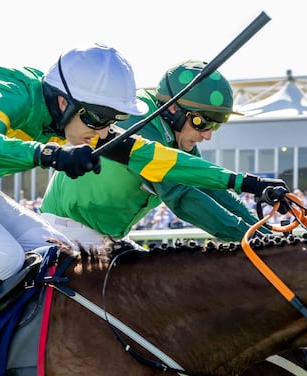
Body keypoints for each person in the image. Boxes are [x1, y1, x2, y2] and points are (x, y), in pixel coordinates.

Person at [0, 45, 286, 376]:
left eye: (110, 120)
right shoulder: (7, 88)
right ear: (65, 101)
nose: (103, 132)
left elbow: (157, 159)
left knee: (56, 251)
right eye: (98, 120)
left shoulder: (75, 117)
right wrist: (50, 155)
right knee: (0, 256)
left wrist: (243, 183)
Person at [40, 60, 266, 246]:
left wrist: (266, 232)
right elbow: (183, 197)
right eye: (202, 123)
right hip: (65, 232)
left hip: (107, 237)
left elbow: (211, 188)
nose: (207, 136)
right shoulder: (141, 125)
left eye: (215, 127)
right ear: (174, 109)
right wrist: (254, 240)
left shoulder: (175, 134)